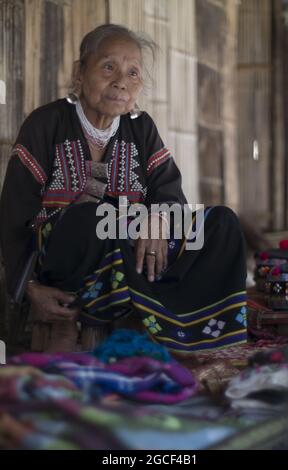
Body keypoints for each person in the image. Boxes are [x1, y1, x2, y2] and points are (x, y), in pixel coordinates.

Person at [0, 24, 247, 354]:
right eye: (108, 67)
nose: (121, 81)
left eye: (133, 73)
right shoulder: (47, 122)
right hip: (68, 248)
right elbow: (14, 210)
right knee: (91, 219)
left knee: (221, 224)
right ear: (80, 72)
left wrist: (158, 217)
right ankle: (107, 308)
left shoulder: (140, 127)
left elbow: (168, 189)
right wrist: (30, 286)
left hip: (132, 247)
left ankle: (195, 335)